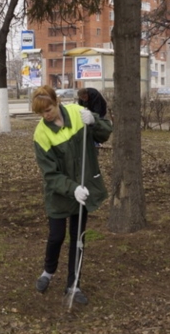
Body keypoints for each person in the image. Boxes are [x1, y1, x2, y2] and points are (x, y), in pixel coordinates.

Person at [31, 84, 112, 305]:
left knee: (78, 239)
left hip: (83, 190)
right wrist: (71, 188)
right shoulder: (41, 133)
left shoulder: (78, 113)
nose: (45, 116)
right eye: (41, 113)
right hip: (60, 193)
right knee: (56, 236)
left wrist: (95, 122)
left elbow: (105, 133)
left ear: (57, 102)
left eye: (48, 110)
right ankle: (48, 271)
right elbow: (50, 174)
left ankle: (73, 285)